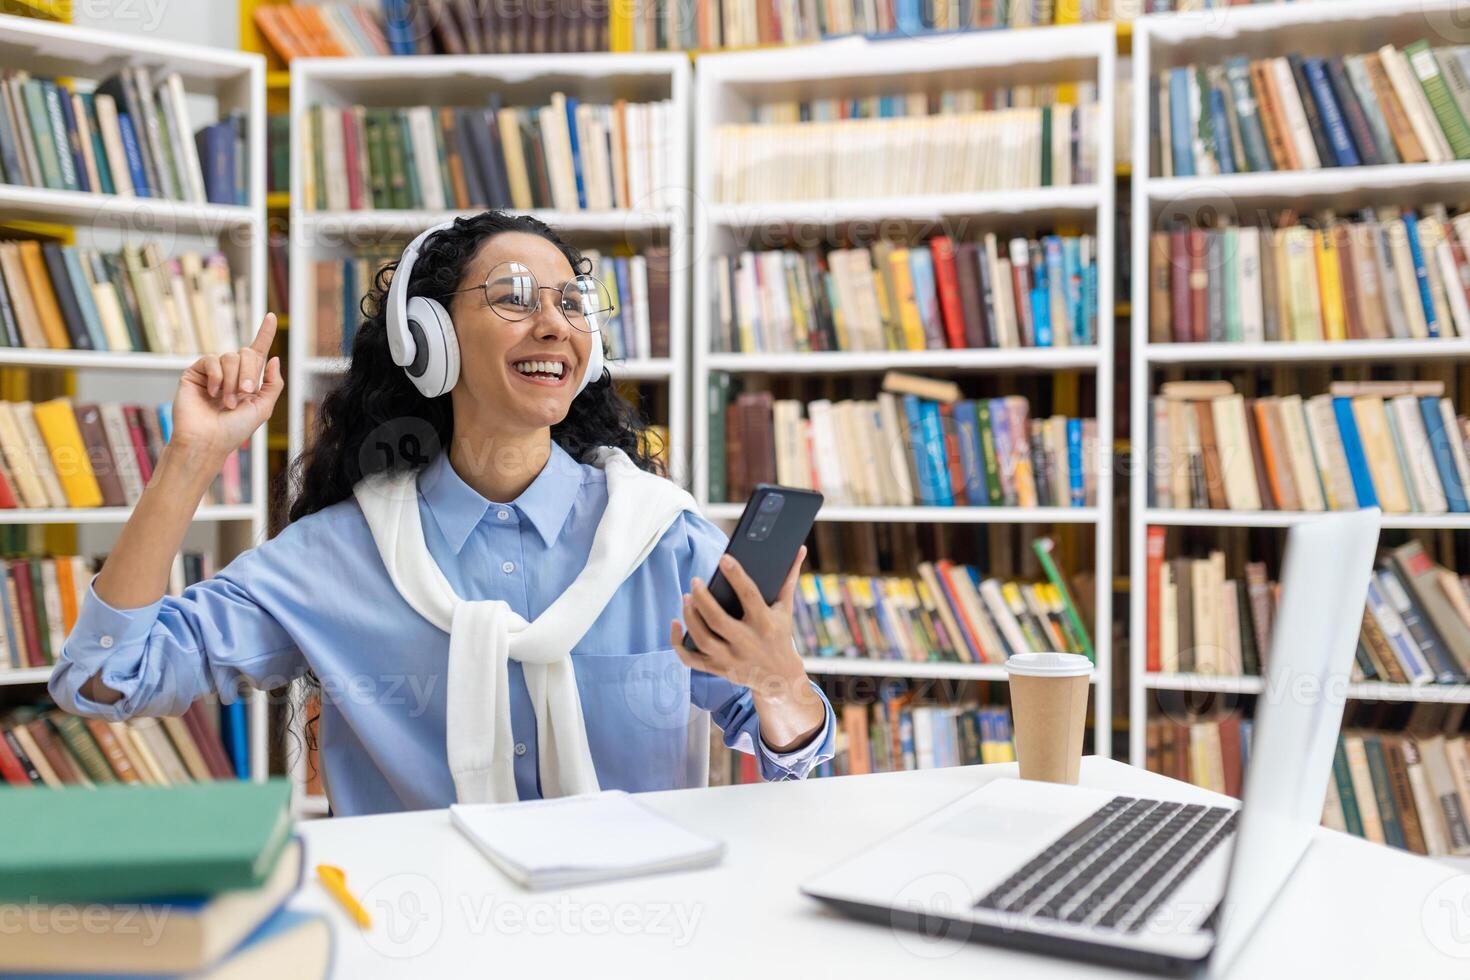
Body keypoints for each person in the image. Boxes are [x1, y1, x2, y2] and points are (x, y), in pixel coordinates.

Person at [50, 211, 834, 815]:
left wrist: (779, 682)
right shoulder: (336, 557)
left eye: (571, 303)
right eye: (514, 299)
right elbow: (105, 678)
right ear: (429, 339)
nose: (555, 323)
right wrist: (192, 456)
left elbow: (796, 762)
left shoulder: (661, 540)